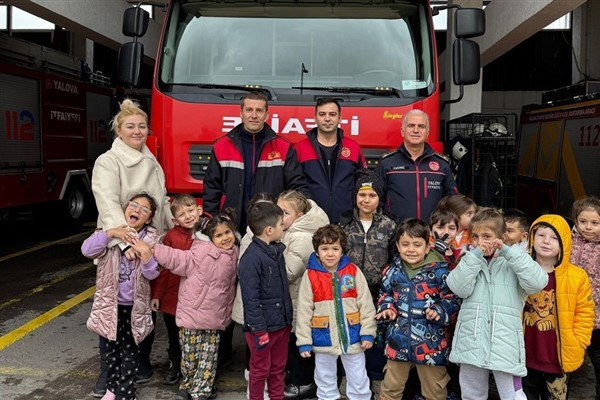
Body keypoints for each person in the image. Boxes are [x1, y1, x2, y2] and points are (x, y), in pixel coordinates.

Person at [91, 99, 173, 395]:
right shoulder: (108, 161)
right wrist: (126, 242)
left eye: (141, 126)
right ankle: (106, 373)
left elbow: (160, 202)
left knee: (143, 307)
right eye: (130, 127)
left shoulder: (150, 158)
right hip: (119, 244)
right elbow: (107, 202)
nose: (137, 131)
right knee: (110, 309)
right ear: (118, 130)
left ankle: (140, 362)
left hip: (150, 242)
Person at [132, 210, 239, 400]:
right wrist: (152, 248)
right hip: (192, 315)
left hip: (214, 317)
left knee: (208, 358)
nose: (225, 238)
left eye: (228, 233)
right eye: (219, 235)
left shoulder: (235, 254)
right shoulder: (200, 253)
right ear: (209, 238)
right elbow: (174, 257)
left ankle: (202, 390)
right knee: (189, 355)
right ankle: (187, 384)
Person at [446, 208, 548, 400]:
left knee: (513, 395)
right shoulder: (469, 260)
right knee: (471, 393)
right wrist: (475, 257)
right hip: (471, 339)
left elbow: (537, 282)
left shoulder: (515, 260)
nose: (480, 242)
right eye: (475, 236)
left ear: (501, 237)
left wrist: (508, 252)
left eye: (487, 236)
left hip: (505, 343)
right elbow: (457, 287)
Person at [83, 193, 161, 400]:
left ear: (149, 218)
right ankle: (111, 389)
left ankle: (126, 392)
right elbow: (87, 250)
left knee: (130, 352)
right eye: (134, 205)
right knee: (109, 352)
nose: (137, 210)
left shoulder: (152, 239)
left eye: (144, 209)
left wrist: (145, 253)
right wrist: (110, 233)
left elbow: (152, 274)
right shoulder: (108, 231)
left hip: (134, 307)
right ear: (125, 208)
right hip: (110, 305)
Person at [376, 218, 459, 400]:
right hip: (397, 341)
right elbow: (384, 293)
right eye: (405, 244)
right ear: (397, 246)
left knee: (435, 391)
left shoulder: (441, 271)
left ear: (428, 246)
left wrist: (440, 310)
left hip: (431, 344)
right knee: (390, 389)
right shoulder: (392, 271)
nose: (411, 250)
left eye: (417, 244)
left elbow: (452, 299)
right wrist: (387, 307)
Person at [203, 91, 309, 232]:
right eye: (249, 110)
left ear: (267, 115)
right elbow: (211, 189)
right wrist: (214, 224)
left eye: (259, 111)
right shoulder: (222, 146)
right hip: (231, 226)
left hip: (270, 227)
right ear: (241, 113)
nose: (254, 115)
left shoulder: (283, 147)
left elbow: (297, 187)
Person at [295, 224, 376, 400]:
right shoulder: (310, 275)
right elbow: (303, 311)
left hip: (353, 336)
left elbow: (366, 305)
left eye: (335, 248)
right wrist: (304, 341)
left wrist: (368, 333)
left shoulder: (353, 272)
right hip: (322, 336)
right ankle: (327, 397)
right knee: (324, 376)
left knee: (358, 374)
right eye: (324, 249)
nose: (330, 253)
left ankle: (361, 397)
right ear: (317, 251)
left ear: (342, 250)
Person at [338, 168, 397, 398]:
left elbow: (395, 259)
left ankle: (375, 379)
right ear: (355, 196)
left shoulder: (389, 225)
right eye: (362, 195)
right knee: (350, 336)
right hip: (348, 292)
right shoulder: (344, 223)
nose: (366, 200)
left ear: (379, 198)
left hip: (378, 292)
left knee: (375, 338)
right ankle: (350, 379)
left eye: (372, 195)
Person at [522, 214, 594, 400]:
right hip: (523, 359)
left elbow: (585, 314)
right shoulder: (521, 270)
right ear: (532, 237)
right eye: (541, 235)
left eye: (554, 237)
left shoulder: (577, 276)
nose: (546, 241)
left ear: (565, 242)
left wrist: (578, 343)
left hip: (558, 359)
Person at [275, 191, 329, 400]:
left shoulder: (304, 236)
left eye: (285, 212)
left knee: (300, 343)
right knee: (290, 342)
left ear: (299, 215)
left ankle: (303, 383)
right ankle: (295, 377)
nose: (279, 215)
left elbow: (289, 272)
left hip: (299, 299)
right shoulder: (290, 230)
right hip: (291, 299)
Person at [239, 202, 293, 400]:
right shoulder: (251, 259)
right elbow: (250, 299)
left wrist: (288, 319)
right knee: (260, 370)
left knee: (278, 369)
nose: (283, 227)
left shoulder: (276, 251)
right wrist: (259, 330)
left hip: (281, 325)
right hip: (262, 330)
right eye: (281, 225)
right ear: (269, 230)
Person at [150, 194, 205, 386]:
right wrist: (157, 294)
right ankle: (176, 364)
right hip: (173, 296)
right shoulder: (171, 236)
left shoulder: (208, 231)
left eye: (191, 210)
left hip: (198, 296)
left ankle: (198, 368)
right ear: (174, 220)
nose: (188, 216)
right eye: (182, 214)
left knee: (197, 335)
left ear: (199, 209)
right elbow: (164, 267)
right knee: (174, 335)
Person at [377, 109, 458, 223]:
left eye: (421, 126)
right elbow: (377, 201)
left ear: (427, 133)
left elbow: (452, 201)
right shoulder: (386, 163)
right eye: (411, 125)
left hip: (431, 233)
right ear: (402, 131)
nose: (416, 130)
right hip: (397, 234)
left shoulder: (442, 165)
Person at [295, 97, 367, 223]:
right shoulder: (300, 148)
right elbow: (295, 186)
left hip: (346, 221)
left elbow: (363, 182)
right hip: (310, 221)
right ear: (315, 118)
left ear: (340, 118)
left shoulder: (353, 147)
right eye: (322, 114)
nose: (327, 119)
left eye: (332, 114)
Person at [570, 197, 600, 400]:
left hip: (597, 315)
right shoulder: (566, 242)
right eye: (583, 221)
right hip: (569, 311)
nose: (588, 227)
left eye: (595, 223)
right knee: (568, 354)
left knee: (597, 357)